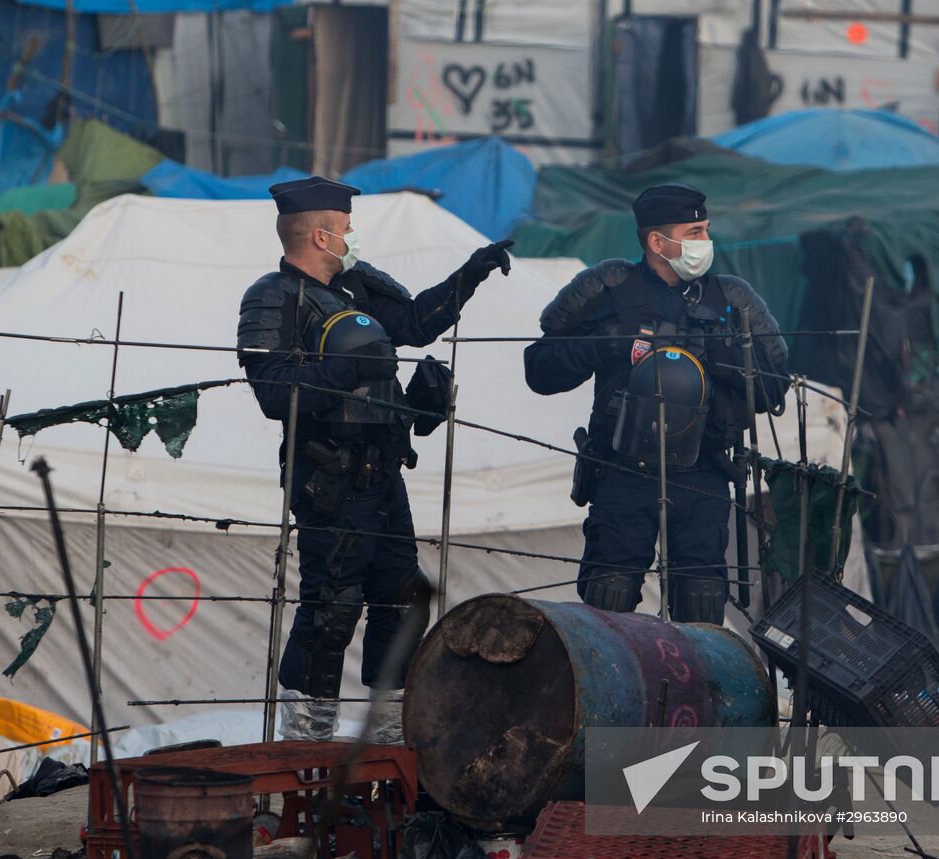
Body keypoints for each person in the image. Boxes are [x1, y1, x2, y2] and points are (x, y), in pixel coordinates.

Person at [237, 177, 513, 742]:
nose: (351, 235)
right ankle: (307, 738)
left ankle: (391, 730)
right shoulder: (273, 297)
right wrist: (346, 372)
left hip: (383, 469)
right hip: (327, 477)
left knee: (402, 595)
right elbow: (272, 393)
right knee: (333, 602)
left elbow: (414, 323)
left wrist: (470, 275)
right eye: (344, 227)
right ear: (321, 233)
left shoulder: (357, 286)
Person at [523, 183, 787, 624]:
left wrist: (725, 357)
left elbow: (775, 389)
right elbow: (540, 370)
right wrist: (603, 345)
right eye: (695, 231)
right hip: (623, 471)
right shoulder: (609, 291)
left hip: (703, 472)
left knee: (701, 606)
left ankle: (690, 693)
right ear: (657, 242)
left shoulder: (731, 299)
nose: (705, 242)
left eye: (706, 230)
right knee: (608, 602)